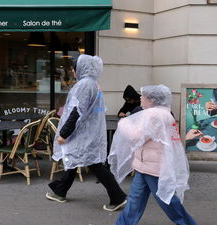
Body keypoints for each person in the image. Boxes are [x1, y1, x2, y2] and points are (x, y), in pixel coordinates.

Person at [45, 54, 127, 212]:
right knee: (76, 157)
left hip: (83, 133)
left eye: (74, 68)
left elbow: (77, 111)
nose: (73, 71)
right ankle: (60, 191)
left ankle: (118, 196)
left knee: (93, 164)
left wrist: (64, 133)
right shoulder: (93, 84)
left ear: (81, 69)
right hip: (89, 132)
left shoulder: (84, 85)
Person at [108, 85, 197, 225]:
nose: (140, 98)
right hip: (146, 165)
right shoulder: (163, 113)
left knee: (167, 202)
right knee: (135, 200)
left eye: (143, 96)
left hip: (153, 167)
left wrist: (123, 123)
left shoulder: (155, 115)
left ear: (151, 99)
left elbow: (136, 136)